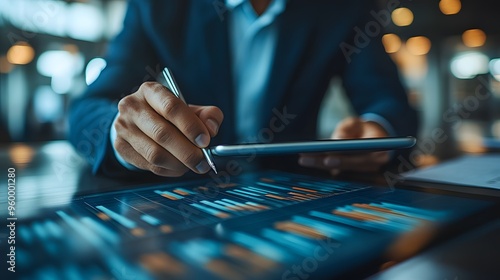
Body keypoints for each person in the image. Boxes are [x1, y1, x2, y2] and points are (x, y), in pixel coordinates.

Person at [69, 0, 418, 178]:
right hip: (188, 199)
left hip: (297, 193)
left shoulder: (343, 7)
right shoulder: (157, 6)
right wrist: (124, 135)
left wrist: (376, 133)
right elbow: (91, 108)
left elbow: (389, 102)